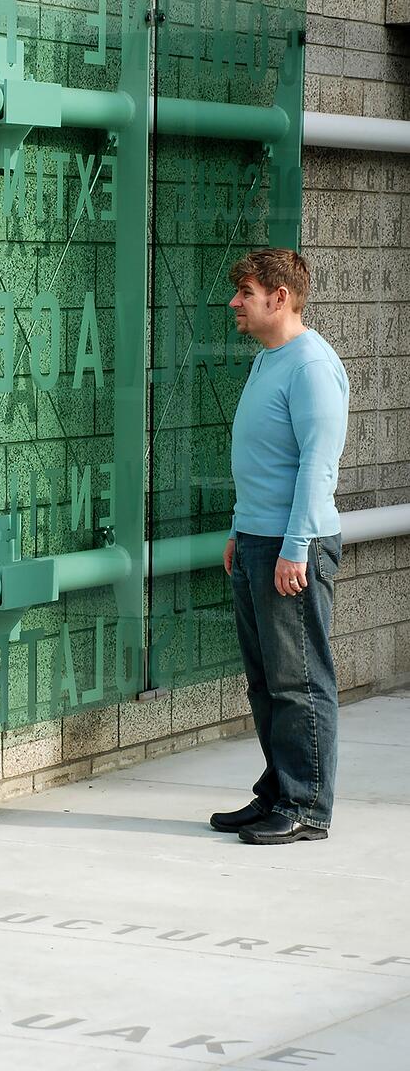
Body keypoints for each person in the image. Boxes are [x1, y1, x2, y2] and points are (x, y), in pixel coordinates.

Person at [209, 249, 349, 845]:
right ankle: (279, 789)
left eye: (245, 291)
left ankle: (306, 806)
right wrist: (241, 532)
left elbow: (318, 469)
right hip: (258, 541)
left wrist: (294, 549)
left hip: (294, 545)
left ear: (280, 297)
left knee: (299, 680)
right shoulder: (271, 360)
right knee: (265, 679)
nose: (236, 302)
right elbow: (265, 462)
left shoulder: (311, 366)